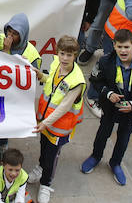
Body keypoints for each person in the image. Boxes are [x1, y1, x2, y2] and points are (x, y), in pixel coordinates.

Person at [81, 28, 132, 186]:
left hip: (131, 111)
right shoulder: (104, 61)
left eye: (126, 47)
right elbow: (95, 80)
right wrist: (108, 94)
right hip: (110, 107)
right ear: (114, 46)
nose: (123, 50)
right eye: (120, 47)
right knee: (103, 133)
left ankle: (115, 163)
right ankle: (95, 156)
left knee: (123, 138)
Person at [34, 35, 85, 203]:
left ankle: (46, 184)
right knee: (43, 148)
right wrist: (41, 76)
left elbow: (64, 107)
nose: (64, 58)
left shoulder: (77, 80)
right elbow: (52, 83)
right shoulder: (56, 63)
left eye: (69, 55)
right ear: (58, 52)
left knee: (52, 156)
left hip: (58, 127)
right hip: (45, 122)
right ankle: (40, 168)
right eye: (62, 53)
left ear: (75, 55)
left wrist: (45, 123)